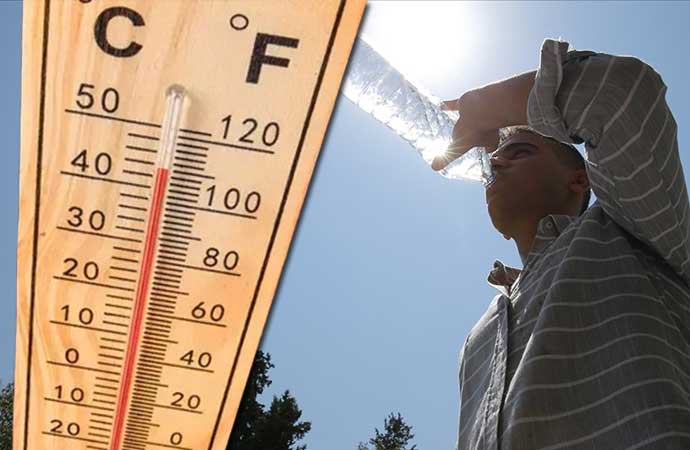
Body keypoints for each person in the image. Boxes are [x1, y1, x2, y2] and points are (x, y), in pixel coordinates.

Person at [432, 39, 690, 450]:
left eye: (518, 151)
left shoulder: (631, 229)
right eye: (494, 158)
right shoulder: (477, 338)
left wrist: (486, 105)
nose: (494, 162)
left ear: (579, 179)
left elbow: (623, 93)